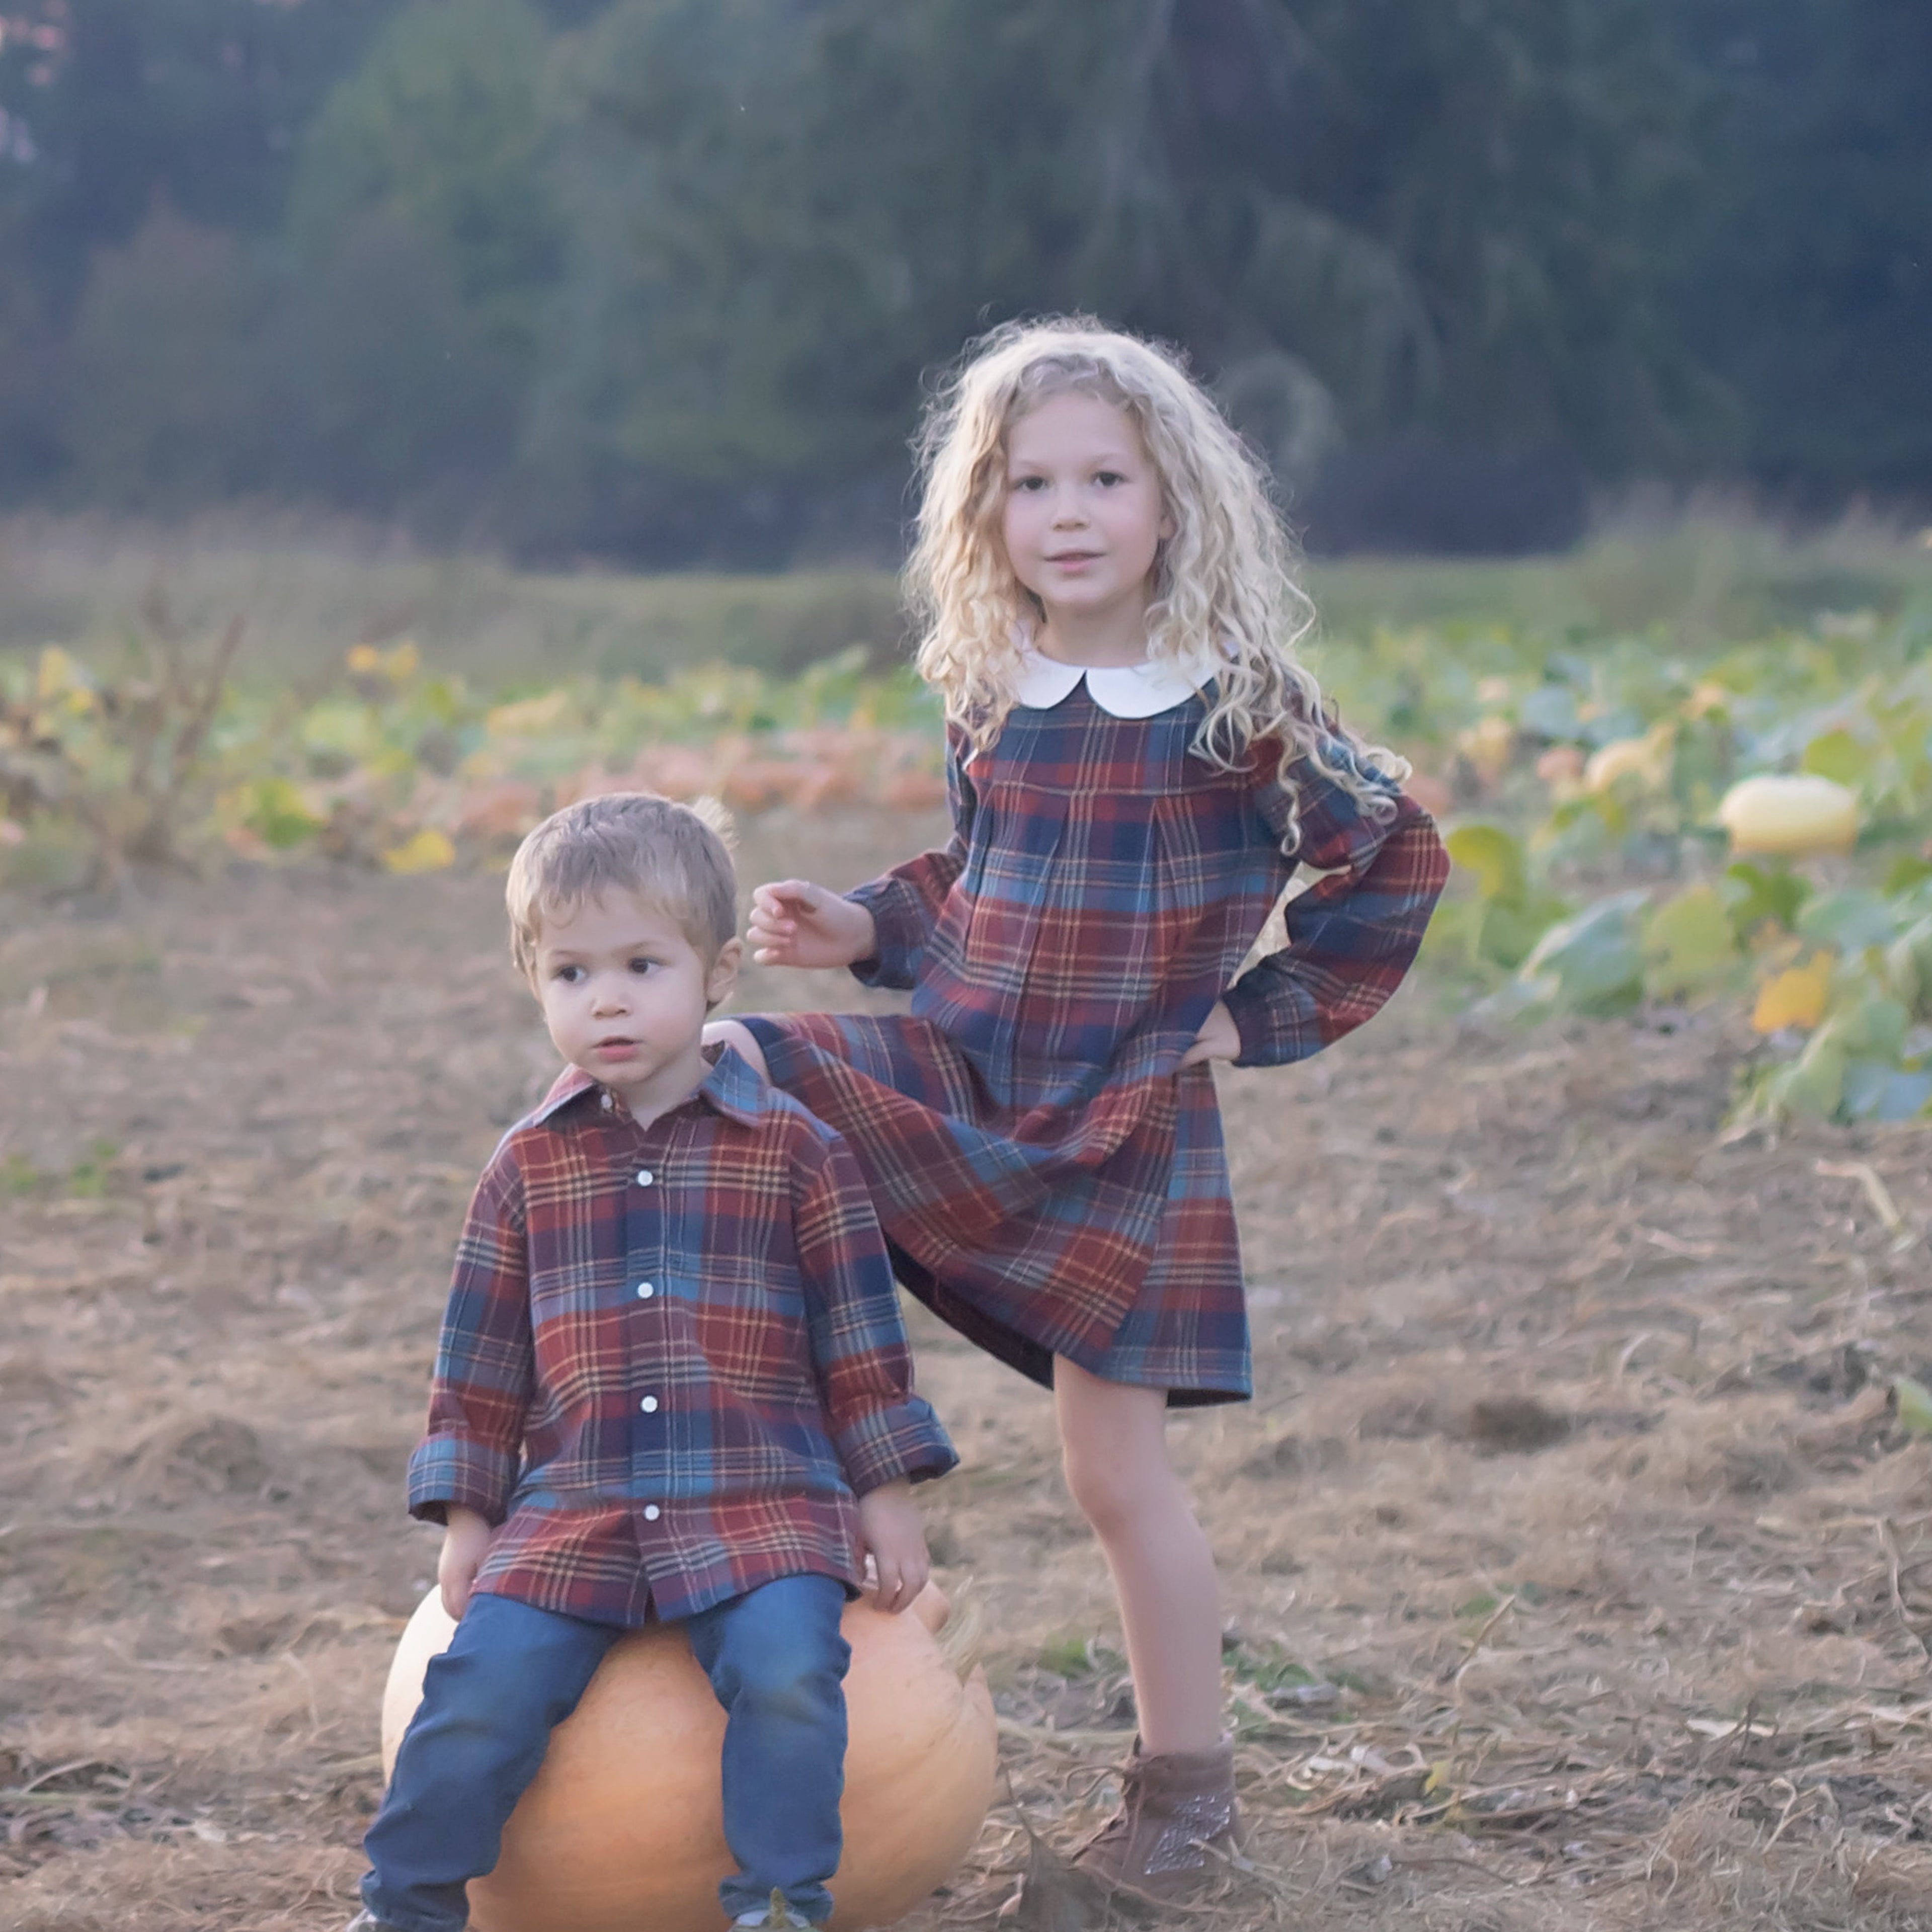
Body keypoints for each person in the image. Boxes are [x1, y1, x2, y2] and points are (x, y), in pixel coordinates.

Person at [709, 318, 1448, 1904]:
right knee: (737, 1069)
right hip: (970, 1073)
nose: (1068, 511)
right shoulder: (990, 691)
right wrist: (858, 929)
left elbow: (1395, 861)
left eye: (1104, 477)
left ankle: (1190, 1805)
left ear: (1172, 500)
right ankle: (776, 1432)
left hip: (1121, 1128)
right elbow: (980, 893)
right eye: (1031, 482)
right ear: (987, 519)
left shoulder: (1241, 704)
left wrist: (1255, 1020)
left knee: (1116, 1481)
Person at [347, 792, 956, 1932]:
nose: (609, 998)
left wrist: (885, 1497)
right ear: (535, 985)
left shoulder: (797, 1154)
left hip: (760, 1499)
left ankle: (777, 1903)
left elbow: (860, 1342)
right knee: (477, 1691)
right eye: (572, 975)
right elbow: (477, 1362)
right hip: (576, 1507)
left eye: (641, 963)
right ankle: (406, 1906)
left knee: (790, 1676)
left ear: (718, 971)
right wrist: (470, 1519)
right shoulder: (525, 1169)